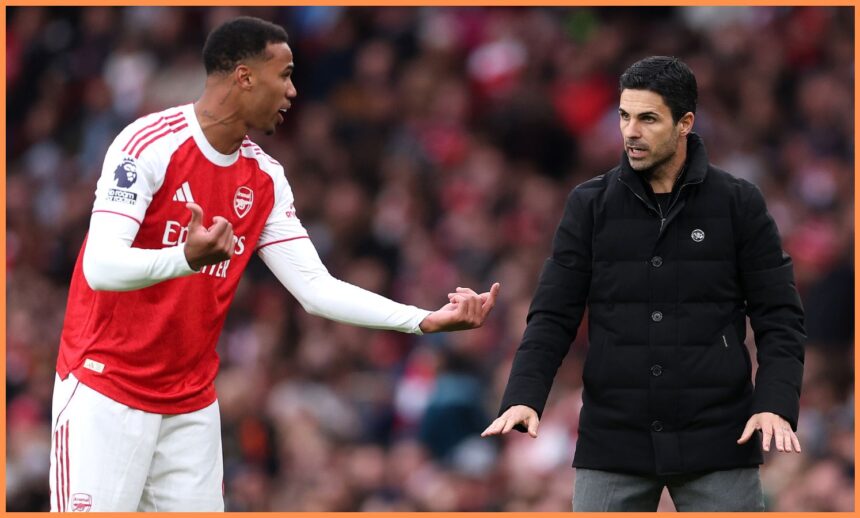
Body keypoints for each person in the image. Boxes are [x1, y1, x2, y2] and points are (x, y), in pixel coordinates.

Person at [50, 16, 500, 512]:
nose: (292, 91)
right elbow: (101, 266)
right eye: (284, 75)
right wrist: (184, 258)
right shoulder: (148, 144)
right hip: (105, 389)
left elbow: (315, 288)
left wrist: (423, 320)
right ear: (244, 77)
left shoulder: (264, 177)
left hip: (189, 404)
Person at [482, 56, 804, 512]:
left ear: (685, 123)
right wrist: (523, 397)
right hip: (613, 441)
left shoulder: (738, 203)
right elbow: (553, 314)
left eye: (647, 118)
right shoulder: (589, 205)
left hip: (718, 439)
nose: (630, 131)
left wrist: (775, 402)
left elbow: (780, 316)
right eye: (624, 116)